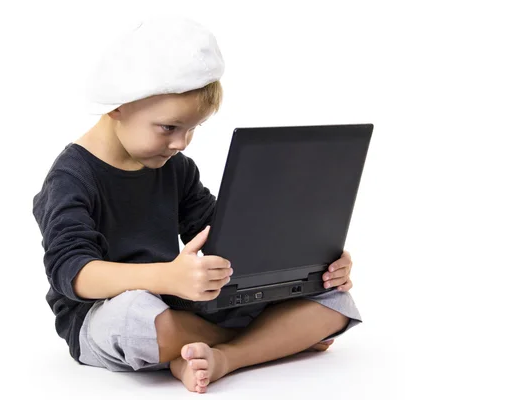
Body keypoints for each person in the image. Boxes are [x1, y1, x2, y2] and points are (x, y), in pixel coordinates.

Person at [32, 17, 362, 394]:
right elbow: (72, 273)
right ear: (117, 106)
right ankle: (272, 339)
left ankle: (225, 357)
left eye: (193, 129)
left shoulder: (176, 168)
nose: (182, 143)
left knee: (335, 299)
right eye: (169, 127)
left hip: (181, 300)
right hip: (103, 315)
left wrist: (312, 260)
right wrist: (165, 277)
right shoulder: (71, 178)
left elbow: (222, 239)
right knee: (136, 319)